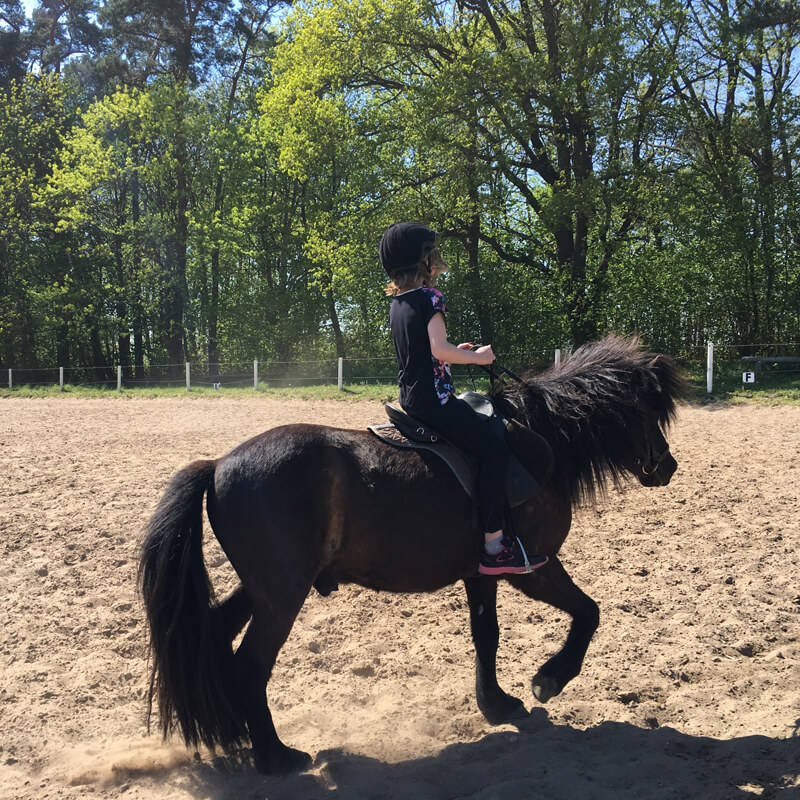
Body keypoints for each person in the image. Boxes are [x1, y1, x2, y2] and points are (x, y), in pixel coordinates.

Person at [380, 221, 548, 575]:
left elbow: (424, 353)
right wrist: (478, 357)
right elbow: (439, 350)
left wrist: (460, 351)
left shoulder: (398, 303)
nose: (436, 261)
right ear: (423, 261)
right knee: (494, 449)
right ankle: (494, 546)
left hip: (411, 400)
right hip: (437, 402)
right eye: (432, 255)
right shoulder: (430, 298)